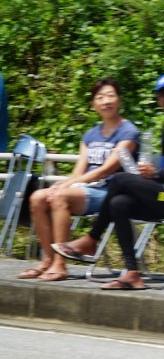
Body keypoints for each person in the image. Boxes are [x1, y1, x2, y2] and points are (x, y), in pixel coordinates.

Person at [52, 72, 164, 290]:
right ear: (158, 99)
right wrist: (152, 174)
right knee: (120, 203)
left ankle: (91, 239)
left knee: (119, 179)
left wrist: (157, 174)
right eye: (163, 94)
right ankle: (132, 272)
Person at [19, 79, 140, 282]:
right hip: (86, 190)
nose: (105, 101)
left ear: (119, 100)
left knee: (60, 197)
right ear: (93, 104)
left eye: (110, 95)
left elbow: (105, 170)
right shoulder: (90, 134)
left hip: (111, 192)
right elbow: (79, 171)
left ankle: (60, 263)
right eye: (99, 97)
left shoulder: (129, 132)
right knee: (38, 197)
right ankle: (47, 260)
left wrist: (65, 187)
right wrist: (63, 183)